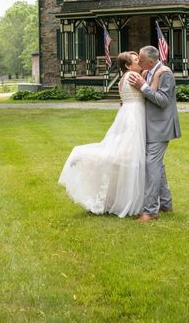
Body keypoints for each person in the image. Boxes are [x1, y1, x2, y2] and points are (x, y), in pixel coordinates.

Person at [58, 51, 145, 217]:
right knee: (127, 156)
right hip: (134, 116)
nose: (139, 61)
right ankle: (85, 158)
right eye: (136, 60)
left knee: (121, 152)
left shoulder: (122, 79)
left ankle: (118, 195)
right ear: (128, 65)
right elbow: (146, 91)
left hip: (126, 114)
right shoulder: (133, 76)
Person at [128, 45, 181, 222]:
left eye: (141, 60)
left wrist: (143, 87)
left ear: (151, 61)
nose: (139, 62)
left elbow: (163, 101)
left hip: (161, 127)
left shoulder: (165, 73)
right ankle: (166, 205)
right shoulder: (149, 72)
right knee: (158, 167)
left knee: (151, 166)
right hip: (150, 127)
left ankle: (150, 212)